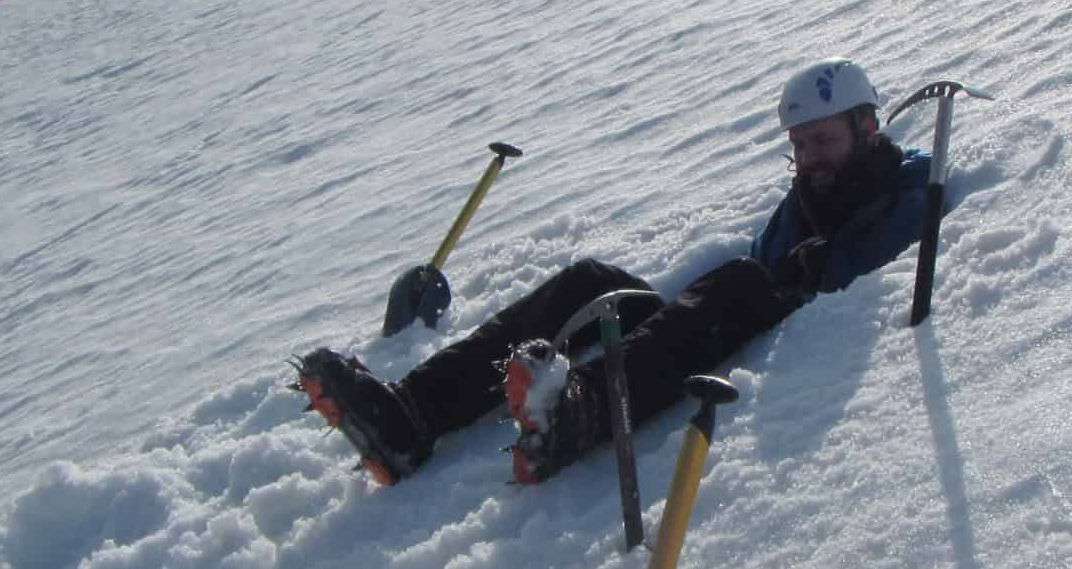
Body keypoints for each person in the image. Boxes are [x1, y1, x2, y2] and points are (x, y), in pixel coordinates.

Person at [296, 59, 929, 486]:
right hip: (722, 319)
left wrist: (810, 267)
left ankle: (581, 412)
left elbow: (866, 270)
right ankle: (411, 416)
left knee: (741, 279)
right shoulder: (806, 197)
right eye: (799, 144)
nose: (809, 158)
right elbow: (769, 262)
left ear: (867, 126)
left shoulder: (908, 184)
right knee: (591, 281)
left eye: (823, 141)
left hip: (782, 330)